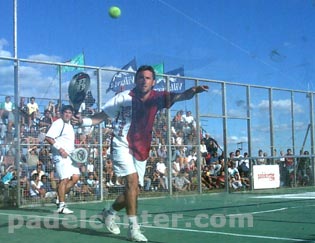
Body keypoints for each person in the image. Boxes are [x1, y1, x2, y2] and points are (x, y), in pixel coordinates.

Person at [75, 65, 208, 242]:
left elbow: (181, 96)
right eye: (140, 77)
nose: (144, 80)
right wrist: (83, 121)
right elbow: (101, 116)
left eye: (147, 78)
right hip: (121, 144)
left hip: (142, 148)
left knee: (134, 190)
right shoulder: (122, 98)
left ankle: (109, 213)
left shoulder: (159, 97)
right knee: (132, 182)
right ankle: (133, 229)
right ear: (135, 80)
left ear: (153, 82)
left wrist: (192, 91)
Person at [45, 105, 80, 214]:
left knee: (75, 177)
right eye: (66, 112)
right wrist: (60, 150)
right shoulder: (58, 123)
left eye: (70, 113)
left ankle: (59, 197)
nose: (68, 114)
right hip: (60, 156)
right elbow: (48, 137)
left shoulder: (70, 125)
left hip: (70, 156)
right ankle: (62, 206)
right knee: (64, 179)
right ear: (62, 113)